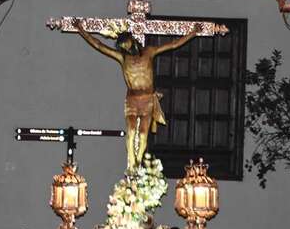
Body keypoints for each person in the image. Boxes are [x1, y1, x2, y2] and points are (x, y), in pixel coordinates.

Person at [72, 16, 202, 170]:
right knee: (132, 130)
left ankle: (137, 163)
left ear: (131, 40)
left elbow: (173, 45)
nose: (125, 48)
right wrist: (81, 30)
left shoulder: (149, 52)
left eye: (126, 44)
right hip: (132, 99)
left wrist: (192, 33)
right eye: (122, 46)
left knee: (143, 133)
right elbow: (99, 45)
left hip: (147, 99)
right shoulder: (122, 57)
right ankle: (132, 163)